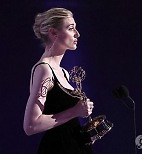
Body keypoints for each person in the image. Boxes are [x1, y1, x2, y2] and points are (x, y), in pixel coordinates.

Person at [23, 8, 94, 154]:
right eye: (70, 28)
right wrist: (75, 111)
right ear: (53, 32)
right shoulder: (44, 70)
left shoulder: (63, 73)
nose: (77, 34)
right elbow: (30, 126)